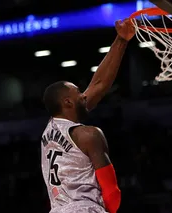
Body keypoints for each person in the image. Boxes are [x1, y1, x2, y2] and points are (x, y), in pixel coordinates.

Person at [41, 18, 136, 213]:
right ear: (68, 102)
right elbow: (111, 191)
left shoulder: (51, 128)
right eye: (79, 93)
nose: (84, 95)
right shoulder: (88, 135)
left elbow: (99, 85)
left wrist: (121, 40)